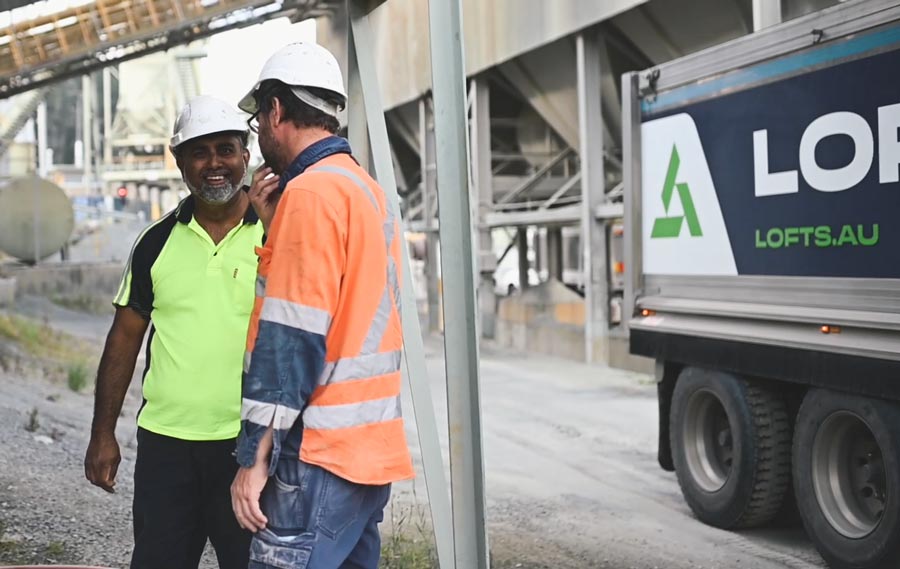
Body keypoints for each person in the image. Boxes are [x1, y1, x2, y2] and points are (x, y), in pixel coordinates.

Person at [230, 42, 415, 569]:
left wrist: (254, 459)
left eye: (257, 119)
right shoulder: (364, 189)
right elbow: (347, 308)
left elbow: (292, 339)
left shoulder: (310, 195)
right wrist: (273, 232)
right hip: (367, 456)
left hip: (318, 456)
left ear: (277, 110)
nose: (259, 134)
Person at [84, 95, 263, 569]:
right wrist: (103, 433)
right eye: (199, 153)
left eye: (225, 149)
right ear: (179, 161)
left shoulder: (276, 235)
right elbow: (123, 339)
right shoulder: (154, 243)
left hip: (248, 447)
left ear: (246, 155)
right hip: (167, 448)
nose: (214, 164)